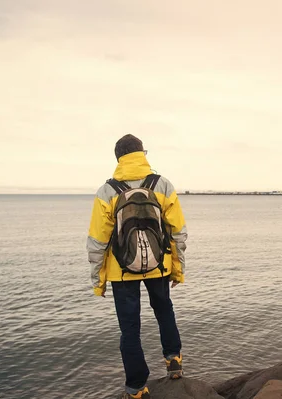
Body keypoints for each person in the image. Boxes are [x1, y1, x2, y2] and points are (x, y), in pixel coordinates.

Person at [86, 134, 188, 399]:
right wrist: (177, 269)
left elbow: (97, 241)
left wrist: (99, 281)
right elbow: (178, 232)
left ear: (118, 158)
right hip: (160, 264)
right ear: (143, 154)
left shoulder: (107, 191)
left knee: (130, 328)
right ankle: (173, 359)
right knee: (164, 310)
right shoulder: (162, 185)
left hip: (122, 270)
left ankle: (136, 387)